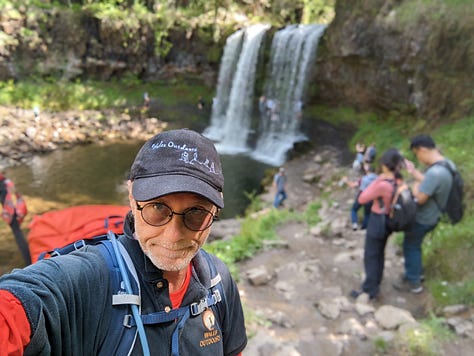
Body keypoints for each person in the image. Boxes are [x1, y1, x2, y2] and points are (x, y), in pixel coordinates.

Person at [0, 129, 247, 355]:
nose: (173, 236)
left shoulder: (219, 283)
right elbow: (21, 302)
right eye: (157, 208)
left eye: (196, 213)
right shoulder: (91, 278)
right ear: (131, 198)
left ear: (214, 209)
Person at [393, 134, 454, 294]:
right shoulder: (446, 165)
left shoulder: (435, 173)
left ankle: (413, 282)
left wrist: (413, 185)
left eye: (417, 154)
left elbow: (419, 198)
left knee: (411, 246)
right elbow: (429, 181)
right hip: (435, 215)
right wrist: (413, 172)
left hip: (423, 218)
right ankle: (417, 273)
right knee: (416, 245)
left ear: (422, 150)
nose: (418, 158)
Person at [350, 148, 404, 300]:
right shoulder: (398, 180)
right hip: (389, 220)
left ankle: (369, 289)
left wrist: (377, 180)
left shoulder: (382, 184)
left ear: (385, 165)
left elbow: (362, 199)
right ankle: (376, 281)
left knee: (371, 254)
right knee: (380, 252)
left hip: (377, 219)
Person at [0, 172, 30, 265]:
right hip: (14, 208)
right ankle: (28, 258)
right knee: (18, 233)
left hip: (11, 211)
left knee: (18, 235)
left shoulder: (4, 183)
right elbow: (14, 192)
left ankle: (29, 261)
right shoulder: (6, 181)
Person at [343, 163, 378, 230]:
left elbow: (353, 185)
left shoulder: (363, 179)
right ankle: (364, 227)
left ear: (368, 171)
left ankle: (355, 224)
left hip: (362, 195)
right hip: (371, 197)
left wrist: (346, 181)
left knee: (354, 209)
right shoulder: (377, 178)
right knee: (367, 213)